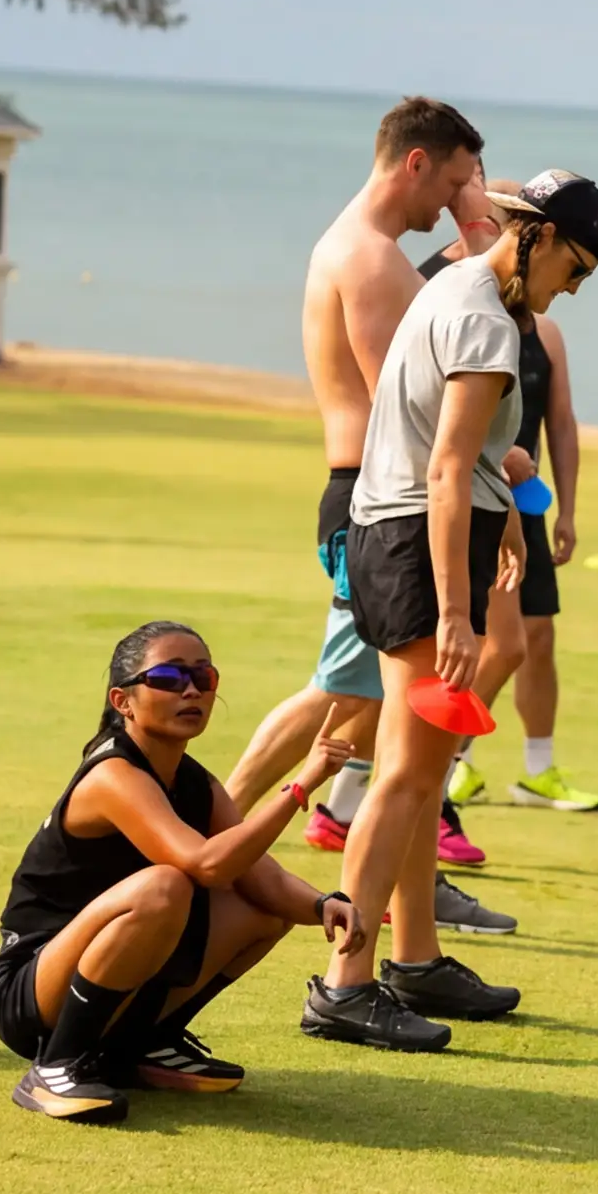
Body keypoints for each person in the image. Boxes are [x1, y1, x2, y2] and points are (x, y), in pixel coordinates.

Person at [303, 171, 598, 1052]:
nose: (575, 289)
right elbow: (444, 467)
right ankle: (345, 984)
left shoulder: (461, 287)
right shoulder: (485, 318)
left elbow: (463, 447)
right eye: (576, 268)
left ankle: (415, 958)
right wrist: (454, 614)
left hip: (408, 531)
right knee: (405, 774)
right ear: (538, 236)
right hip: (416, 544)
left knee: (422, 770)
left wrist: (505, 515)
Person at [223, 99, 491, 885]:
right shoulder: (371, 259)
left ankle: (403, 881)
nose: (455, 198)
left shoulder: (363, 248)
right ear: (415, 163)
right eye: (452, 181)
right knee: (341, 688)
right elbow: (406, 405)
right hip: (373, 502)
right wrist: (480, 232)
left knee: (374, 702)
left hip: (371, 496)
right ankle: (211, 830)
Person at [0, 622, 362, 1122]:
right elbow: (207, 864)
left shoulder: (194, 781)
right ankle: (57, 1064)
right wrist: (301, 786)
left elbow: (262, 877)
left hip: (105, 976)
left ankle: (142, 1045)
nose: (191, 690)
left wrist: (323, 904)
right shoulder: (113, 775)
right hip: (31, 993)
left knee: (267, 908)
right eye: (167, 677)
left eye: (203, 677)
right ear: (123, 701)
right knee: (164, 886)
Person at [422, 204, 597, 817]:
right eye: (573, 271)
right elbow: (444, 444)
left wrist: (564, 510)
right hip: (465, 502)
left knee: (531, 640)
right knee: (490, 645)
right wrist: (499, 459)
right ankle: (446, 768)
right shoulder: (465, 307)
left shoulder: (542, 330)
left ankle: (530, 769)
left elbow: (562, 424)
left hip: (519, 508)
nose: (571, 288)